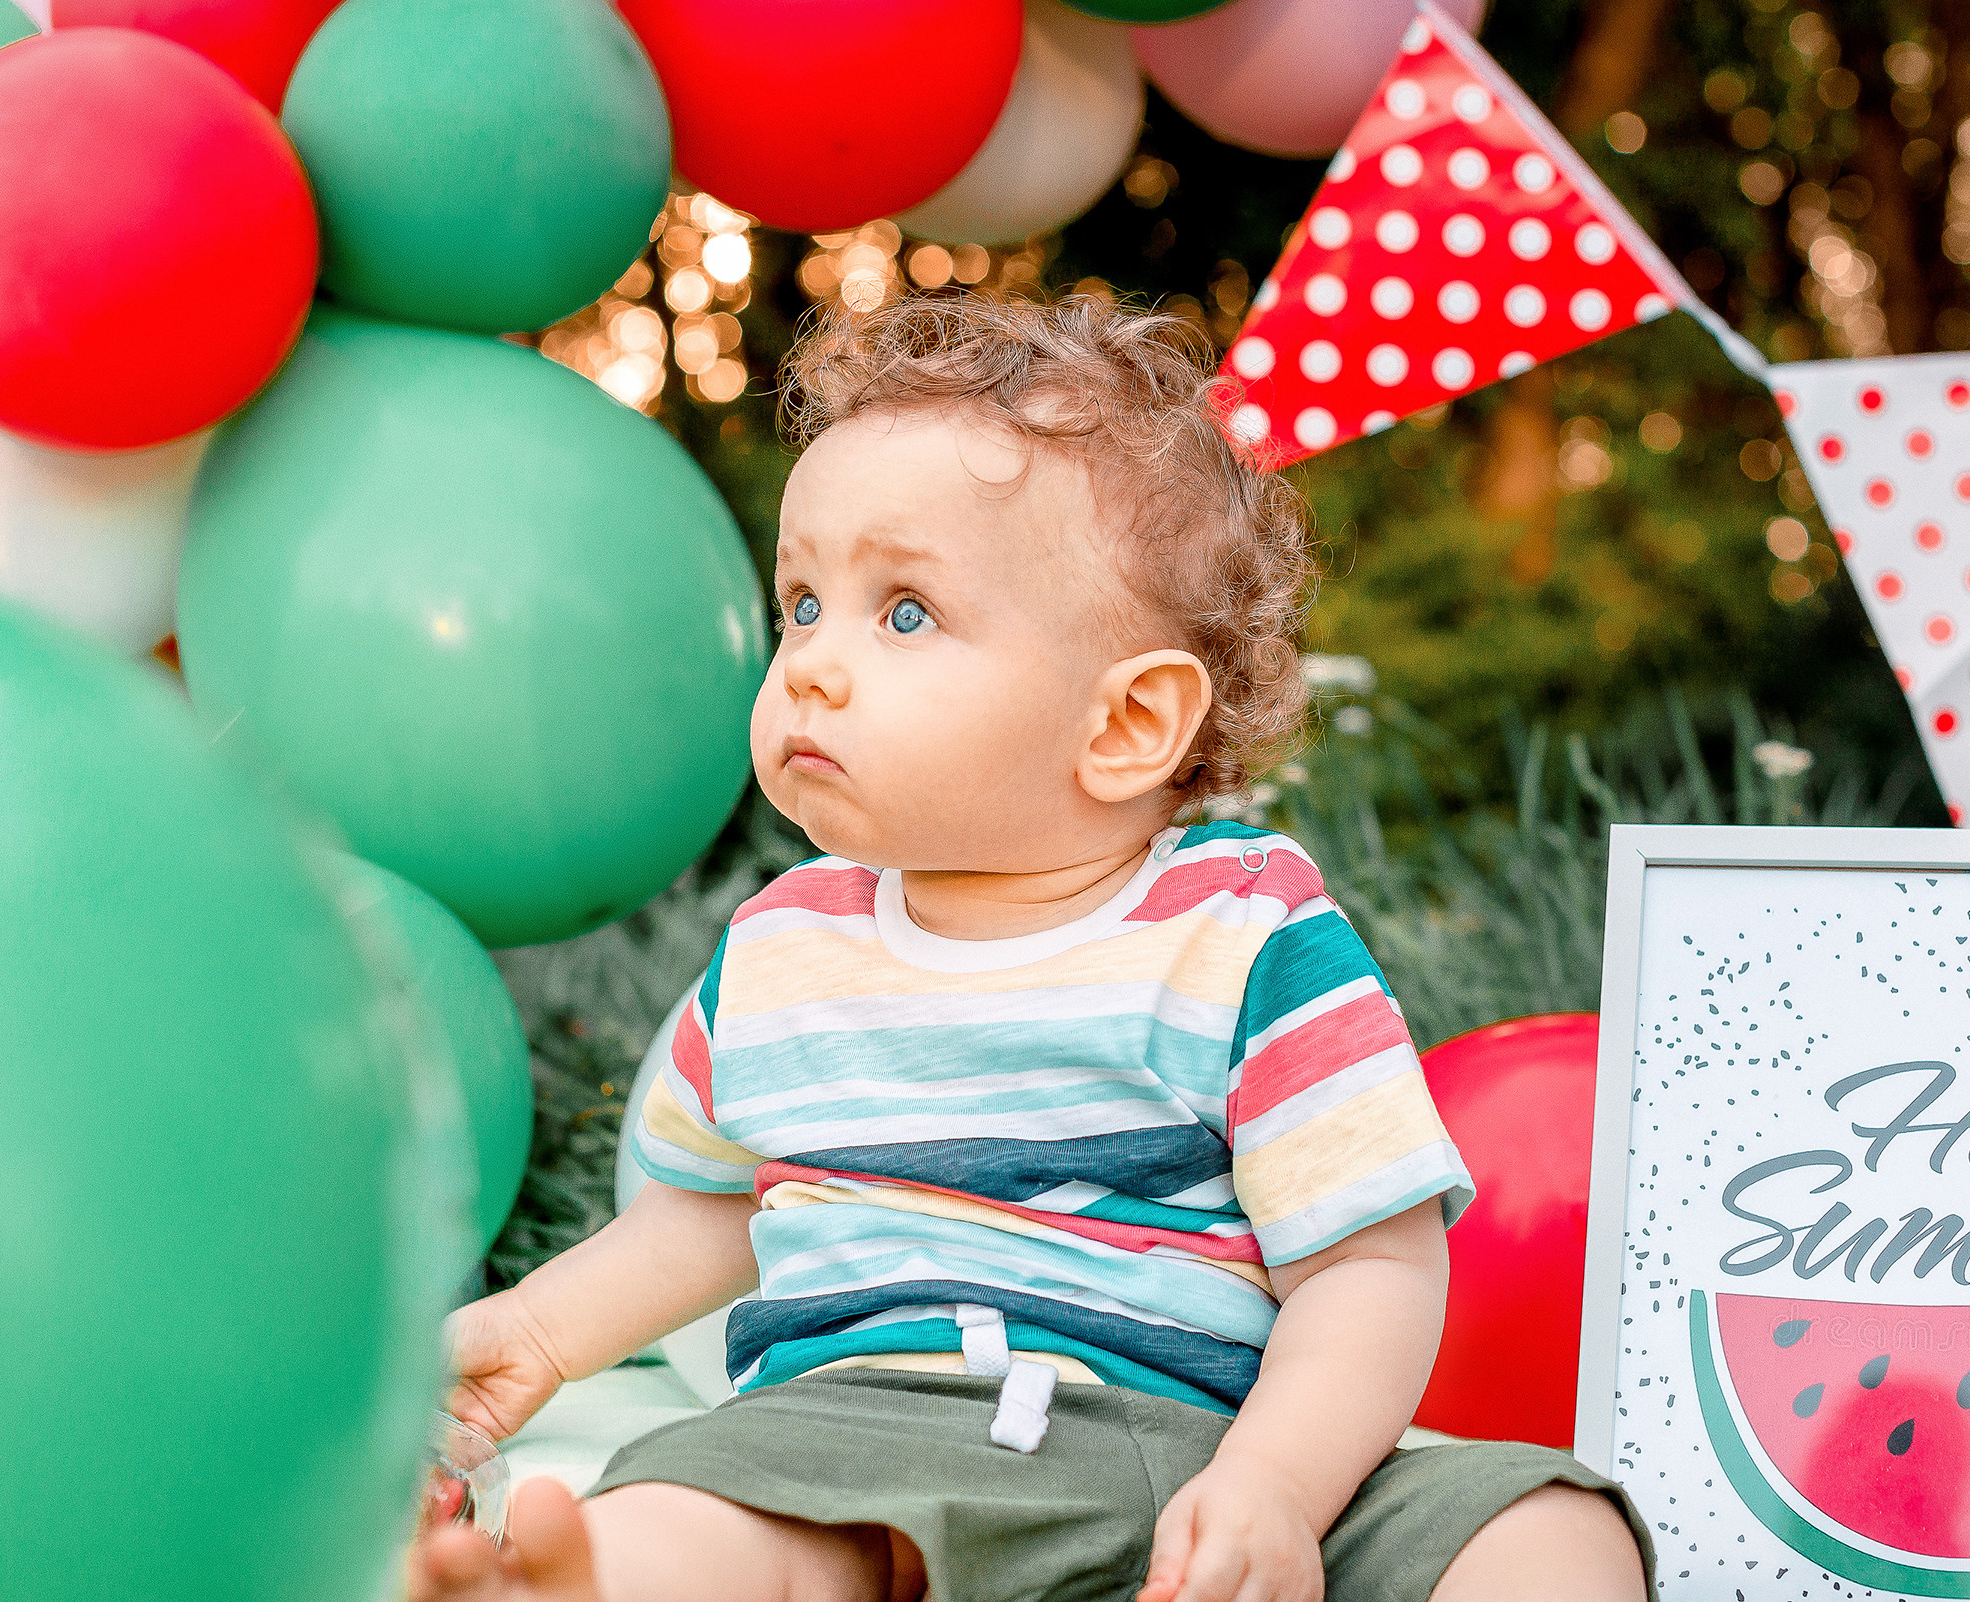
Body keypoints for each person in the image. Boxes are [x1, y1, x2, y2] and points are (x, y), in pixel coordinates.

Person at [411, 294, 1653, 1602]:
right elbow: (713, 1213)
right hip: (859, 1446)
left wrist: (1277, 1489)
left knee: (1550, 1526)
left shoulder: (1241, 937)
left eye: (903, 615)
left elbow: (1366, 1262)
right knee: (696, 1513)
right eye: (802, 605)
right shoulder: (782, 949)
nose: (814, 665)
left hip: (1207, 1457)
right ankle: (564, 1585)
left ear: (1125, 726)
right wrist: (536, 1332)